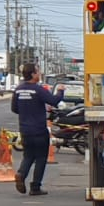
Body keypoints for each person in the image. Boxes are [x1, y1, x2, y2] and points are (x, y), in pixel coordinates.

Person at [10, 63, 66, 196]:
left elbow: (14, 108)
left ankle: (21, 174)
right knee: (41, 158)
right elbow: (54, 101)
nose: (39, 74)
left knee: (28, 156)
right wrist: (61, 91)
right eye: (38, 72)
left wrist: (26, 112)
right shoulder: (38, 89)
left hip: (25, 130)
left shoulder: (18, 90)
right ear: (33, 74)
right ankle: (35, 187)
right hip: (39, 130)